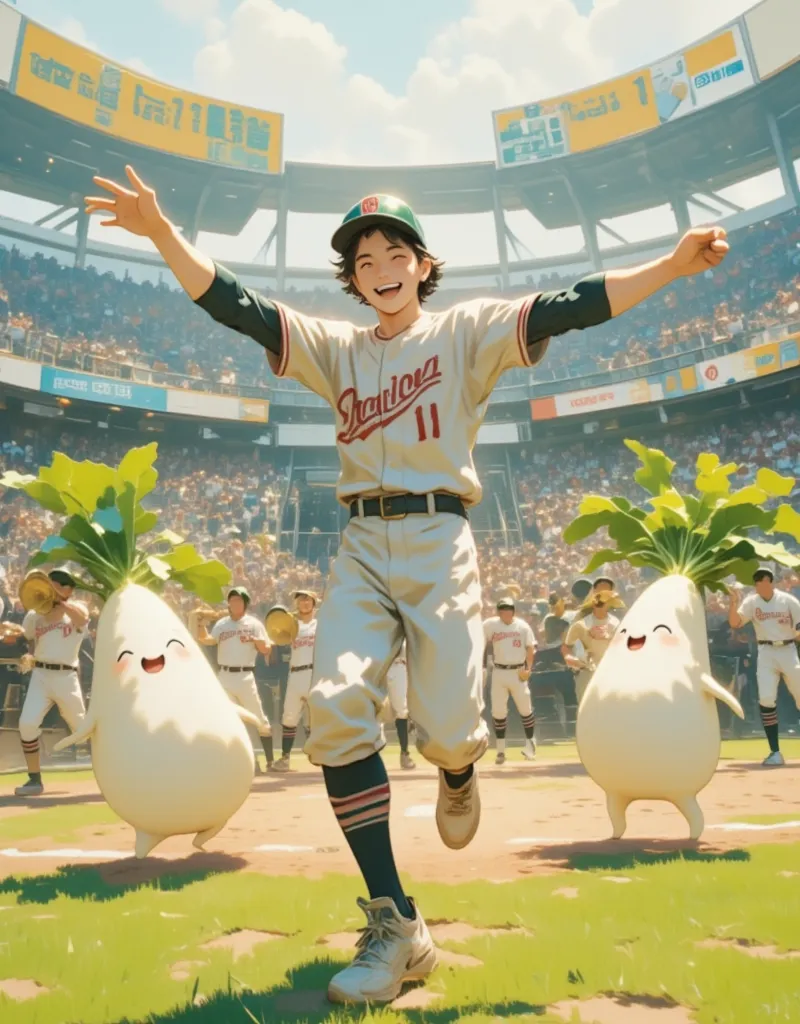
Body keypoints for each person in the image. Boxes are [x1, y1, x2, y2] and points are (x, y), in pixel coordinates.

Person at [86, 165, 729, 1005]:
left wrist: (671, 267)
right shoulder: (337, 348)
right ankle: (396, 922)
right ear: (350, 280)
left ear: (423, 263)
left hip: (439, 537)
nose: (380, 266)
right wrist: (163, 231)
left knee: (452, 725)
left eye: (395, 250)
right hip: (361, 542)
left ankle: (458, 767)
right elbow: (236, 305)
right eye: (363, 259)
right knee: (335, 709)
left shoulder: (467, 329)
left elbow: (570, 302)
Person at [10, 570, 89, 797]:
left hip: (67, 676)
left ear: (67, 591)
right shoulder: (35, 615)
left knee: (83, 730)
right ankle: (34, 780)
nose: (52, 589)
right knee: (27, 724)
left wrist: (60, 602)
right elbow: (29, 638)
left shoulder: (77, 608)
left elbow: (82, 620)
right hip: (41, 675)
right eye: (51, 584)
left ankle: (113, 771)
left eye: (59, 586)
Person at [195, 586, 275, 771]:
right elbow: (207, 640)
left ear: (245, 603)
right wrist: (200, 624)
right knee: (230, 719)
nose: (235, 603)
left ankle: (271, 761)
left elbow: (266, 649)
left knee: (258, 719)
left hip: (245, 676)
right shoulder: (222, 624)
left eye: (239, 600)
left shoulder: (254, 624)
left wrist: (255, 640)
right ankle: (245, 763)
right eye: (232, 600)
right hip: (224, 676)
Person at [728, 567, 800, 767]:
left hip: (788, 649)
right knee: (767, 699)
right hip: (766, 652)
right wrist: (733, 602)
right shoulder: (752, 601)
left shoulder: (788, 600)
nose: (759, 583)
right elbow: (735, 623)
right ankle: (775, 752)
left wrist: (794, 634)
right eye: (757, 580)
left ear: (772, 581)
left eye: (763, 579)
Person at [483, 597, 536, 764]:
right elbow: (481, 644)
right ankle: (500, 751)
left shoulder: (522, 626)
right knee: (498, 712)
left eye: (509, 609)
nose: (506, 612)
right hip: (499, 670)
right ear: (498, 611)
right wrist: (483, 666)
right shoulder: (490, 625)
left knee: (525, 708)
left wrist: (528, 669)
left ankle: (530, 745)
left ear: (514, 610)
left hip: (518, 670)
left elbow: (530, 647)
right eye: (503, 609)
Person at [272, 589, 318, 772]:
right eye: (301, 600)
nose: (304, 603)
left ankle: (321, 755)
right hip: (296, 673)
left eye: (308, 600)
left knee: (317, 718)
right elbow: (274, 634)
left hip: (314, 672)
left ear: (314, 603)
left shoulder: (321, 625)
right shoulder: (292, 626)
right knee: (289, 717)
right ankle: (284, 758)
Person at [562, 577, 623, 705]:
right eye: (599, 590)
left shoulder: (618, 620)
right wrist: (573, 660)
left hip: (610, 674)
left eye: (607, 591)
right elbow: (568, 645)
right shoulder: (580, 619)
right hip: (586, 673)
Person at [384, 643, 416, 770]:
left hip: (399, 665)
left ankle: (404, 753)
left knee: (402, 711)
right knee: (372, 707)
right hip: (380, 664)